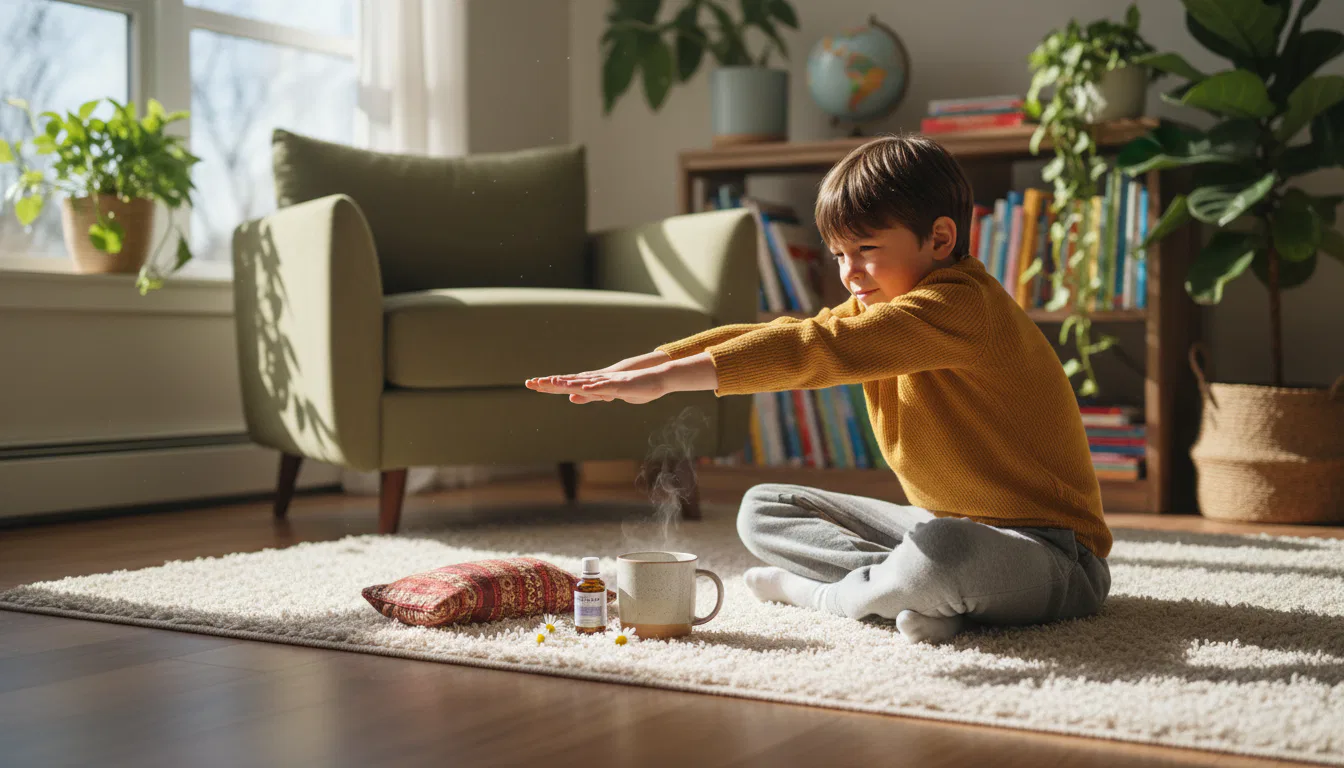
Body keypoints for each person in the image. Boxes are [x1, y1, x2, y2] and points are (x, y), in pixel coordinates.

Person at [525, 134, 1111, 644]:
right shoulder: (876, 308)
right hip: (935, 526)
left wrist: (666, 380)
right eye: (839, 255)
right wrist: (657, 360)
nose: (849, 273)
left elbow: (815, 350)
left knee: (947, 554)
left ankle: (831, 595)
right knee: (763, 508)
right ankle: (913, 592)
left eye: (867, 250)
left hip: (1053, 555)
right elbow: (785, 333)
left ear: (938, 238)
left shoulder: (961, 306)